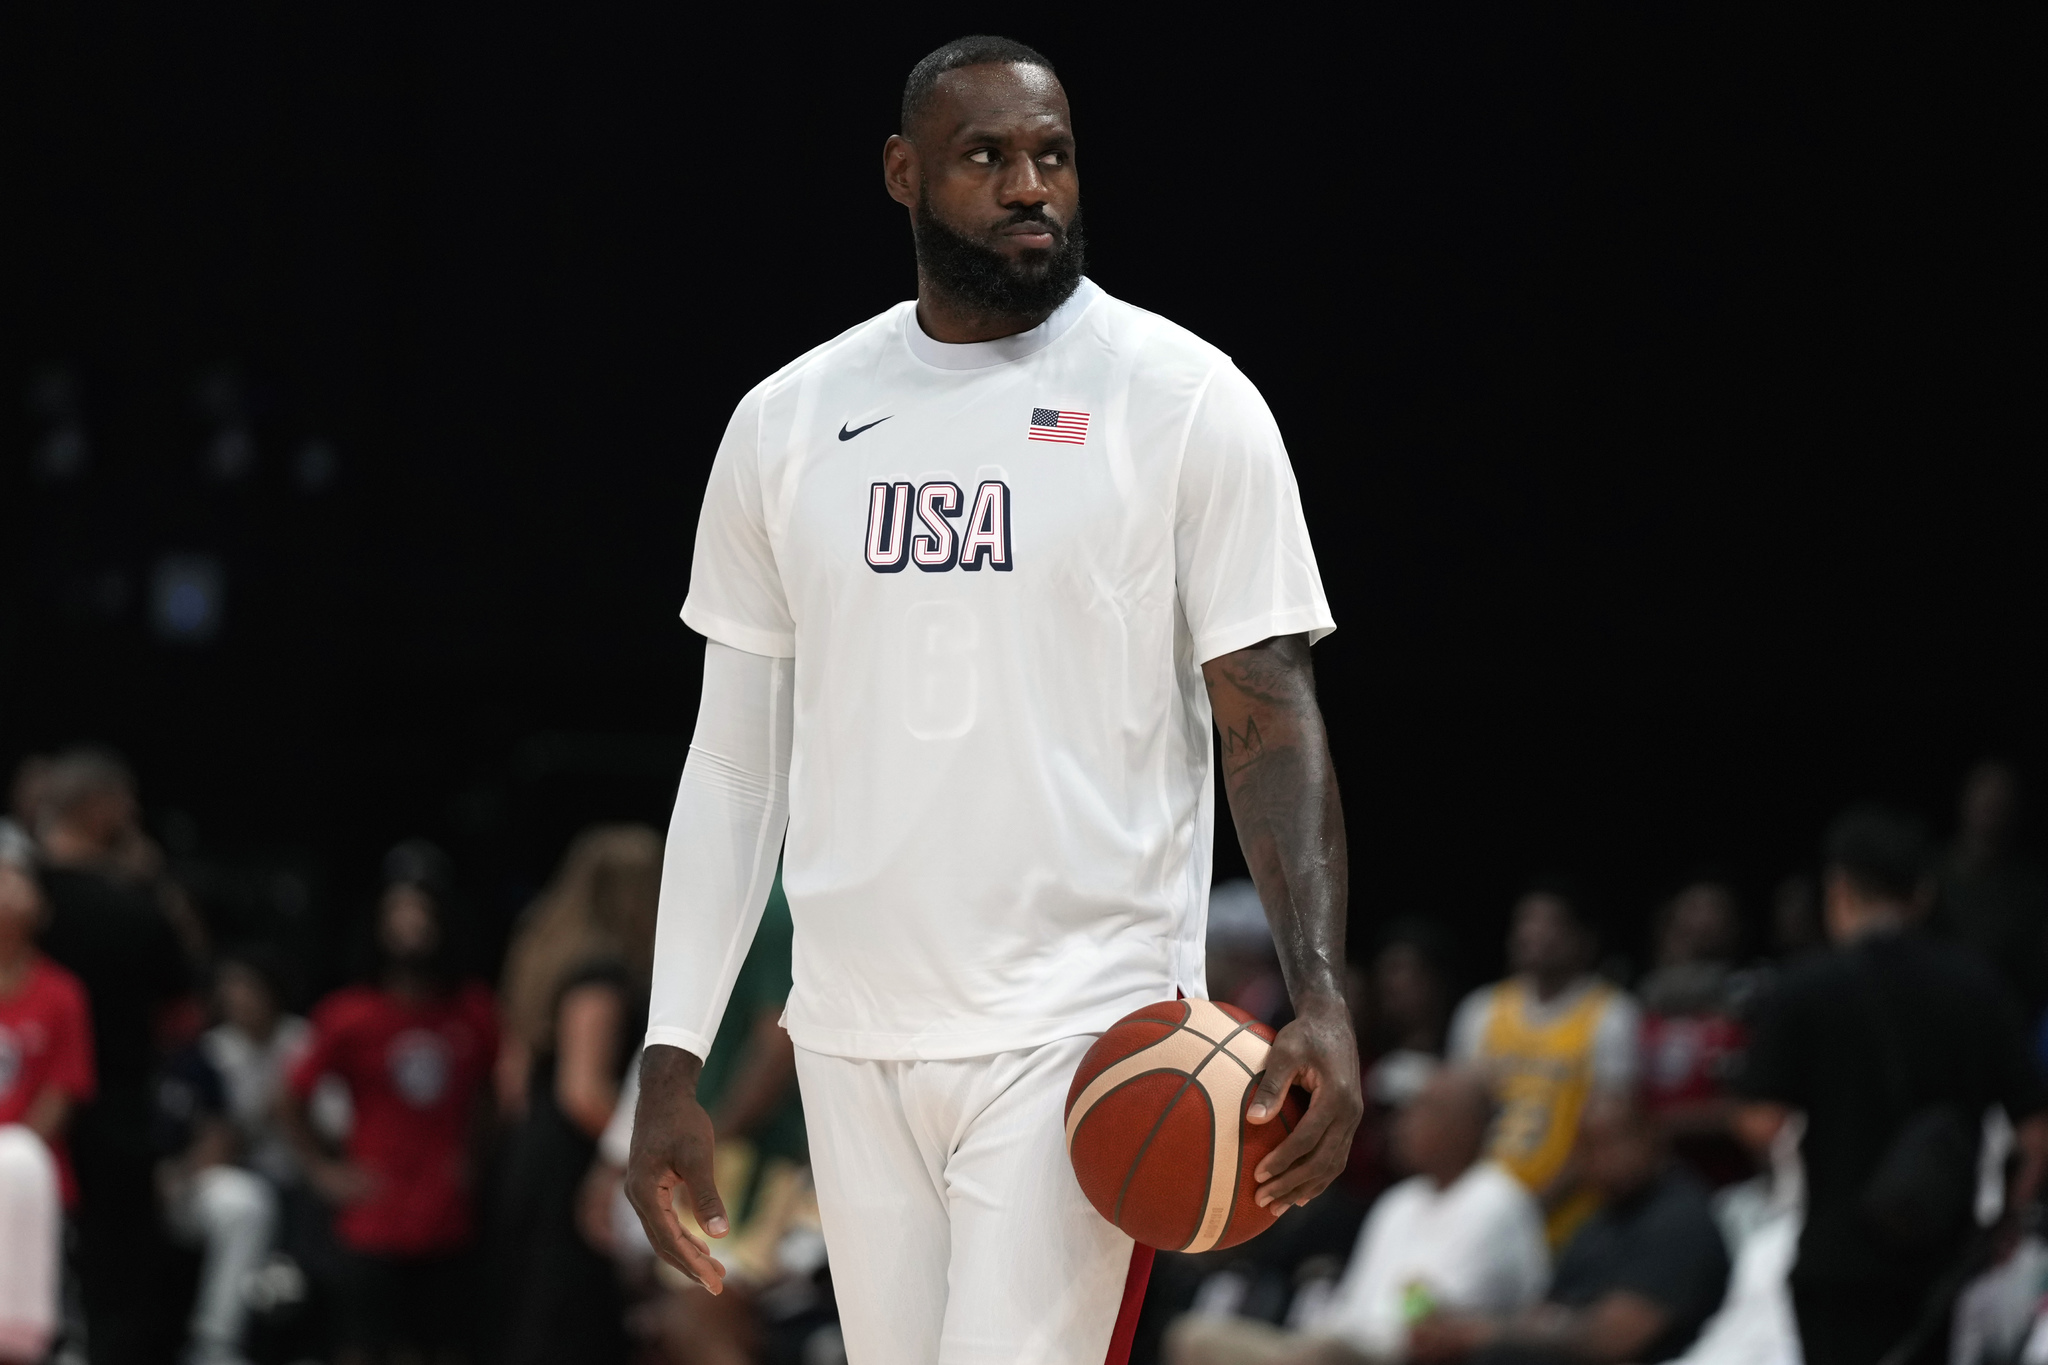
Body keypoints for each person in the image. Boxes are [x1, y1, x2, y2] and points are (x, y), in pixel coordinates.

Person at [625, 34, 1359, 1365]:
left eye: (1054, 156)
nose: (1031, 185)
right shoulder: (788, 422)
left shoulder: (1188, 401)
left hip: (1082, 1024)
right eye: (988, 157)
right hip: (852, 1028)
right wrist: (672, 1055)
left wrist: (1320, 991)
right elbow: (734, 762)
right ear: (903, 175)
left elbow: (1270, 717)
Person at [1736, 805, 2048, 1365]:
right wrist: (2006, 1225)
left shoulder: (1805, 989)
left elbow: (1762, 1123)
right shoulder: (1978, 987)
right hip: (1940, 1261)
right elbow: (2035, 1131)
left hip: (1836, 1256)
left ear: (1838, 890)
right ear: (1923, 894)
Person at [1167, 1068, 1547, 1365]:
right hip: (1339, 1345)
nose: (1405, 1122)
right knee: (1195, 1337)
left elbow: (1431, 1323)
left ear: (1468, 1127)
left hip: (1406, 1356)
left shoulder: (1497, 1200)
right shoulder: (1399, 1202)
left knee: (1323, 1355)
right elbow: (1352, 1303)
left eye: (1425, 1108)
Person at [282, 843, 498, 1365]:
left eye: (421, 913)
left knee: (443, 1347)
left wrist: (475, 1158)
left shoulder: (474, 1010)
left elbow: (494, 1094)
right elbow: (289, 1098)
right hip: (372, 1217)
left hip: (448, 1216)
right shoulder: (348, 1014)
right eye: (398, 914)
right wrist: (322, 1170)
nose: (410, 926)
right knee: (364, 1346)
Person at [23, 749, 187, 1365]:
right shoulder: (133, 908)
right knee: (116, 1288)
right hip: (108, 1114)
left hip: (29, 1114)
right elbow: (183, 1009)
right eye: (127, 804)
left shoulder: (24, 902)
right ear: (100, 810)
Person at [491, 825, 662, 1365]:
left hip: (535, 1156)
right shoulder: (600, 975)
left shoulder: (545, 961)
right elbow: (584, 1091)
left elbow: (512, 1083)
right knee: (572, 1329)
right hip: (572, 1167)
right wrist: (648, 1152)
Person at [1406, 1093, 1730, 1364]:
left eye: (1614, 1140)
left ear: (1652, 1135)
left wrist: (1482, 1333)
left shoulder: (1680, 1218)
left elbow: (1612, 1340)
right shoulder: (1600, 1220)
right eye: (1589, 1146)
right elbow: (1543, 1309)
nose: (1603, 1159)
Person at [1449, 885, 1639, 1245]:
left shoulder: (1611, 1015)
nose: (1534, 932)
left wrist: (1531, 1209)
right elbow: (1457, 1121)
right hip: (1482, 1214)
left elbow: (1608, 1132)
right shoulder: (1481, 1011)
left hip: (1571, 1215)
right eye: (1526, 921)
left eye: (1552, 923)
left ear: (1585, 940)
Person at [0, 821, 94, 1364]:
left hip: (32, 1186)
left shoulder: (61, 993)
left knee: (33, 1334)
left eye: (15, 880)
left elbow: (62, 1092)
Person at [154, 1036, 276, 1365]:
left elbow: (219, 1132)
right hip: (108, 1185)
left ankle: (214, 1344)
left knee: (245, 1202)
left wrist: (180, 1173)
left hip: (184, 1182)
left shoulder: (195, 1061)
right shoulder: (99, 1045)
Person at [1636, 881, 1752, 1186]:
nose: (1701, 921)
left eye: (1713, 910)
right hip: (1649, 1182)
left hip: (1728, 1181)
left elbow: (1747, 1110)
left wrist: (1660, 1124)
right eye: (1691, 910)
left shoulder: (1750, 1005)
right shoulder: (1639, 1007)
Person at [1937, 761, 2048, 1015]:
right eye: (1984, 794)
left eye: (2001, 797)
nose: (1990, 804)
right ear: (1965, 798)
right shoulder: (1930, 875)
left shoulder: (2030, 888)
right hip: (1938, 1011)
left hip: (2001, 1014)